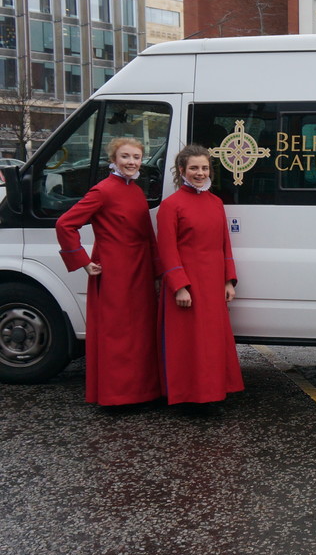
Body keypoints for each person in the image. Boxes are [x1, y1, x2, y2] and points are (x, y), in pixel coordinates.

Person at [55, 137, 162, 406]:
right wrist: (82, 260)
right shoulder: (102, 190)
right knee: (118, 334)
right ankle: (117, 396)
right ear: (113, 160)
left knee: (141, 333)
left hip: (140, 270)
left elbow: (148, 236)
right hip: (114, 271)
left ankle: (142, 392)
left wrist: (158, 271)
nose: (131, 162)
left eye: (136, 157)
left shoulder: (136, 190)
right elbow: (65, 224)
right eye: (125, 156)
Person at [157, 144, 243, 406]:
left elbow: (225, 244)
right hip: (188, 285)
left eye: (204, 168)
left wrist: (229, 280)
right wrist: (179, 286)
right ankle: (188, 397)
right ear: (182, 170)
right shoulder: (170, 206)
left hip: (214, 283)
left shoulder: (216, 203)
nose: (200, 173)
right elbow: (167, 249)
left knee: (211, 343)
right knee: (188, 344)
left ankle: (212, 393)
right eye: (194, 168)